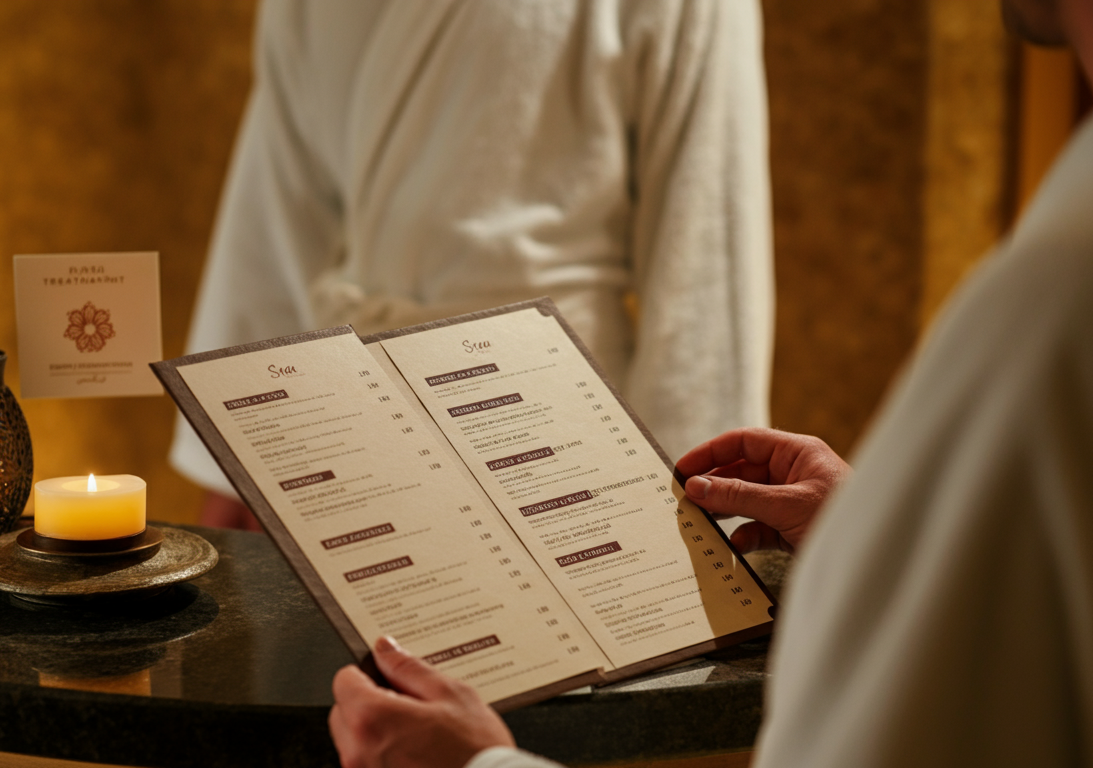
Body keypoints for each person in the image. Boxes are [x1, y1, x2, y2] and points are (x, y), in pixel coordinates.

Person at [328, 0, 1093, 765]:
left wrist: (482, 764)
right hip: (361, 428)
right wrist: (862, 535)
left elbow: (705, 248)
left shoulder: (1053, 303)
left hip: (563, 438)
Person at [170, 0, 775, 530]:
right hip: (348, 427)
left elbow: (708, 259)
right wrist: (239, 458)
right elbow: (277, 216)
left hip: (560, 442)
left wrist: (694, 509)